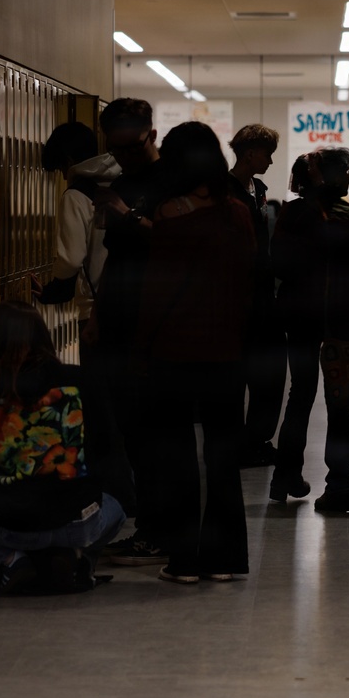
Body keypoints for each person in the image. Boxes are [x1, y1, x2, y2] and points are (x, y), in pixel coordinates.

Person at [0, 301, 124, 594]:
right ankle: (78, 560)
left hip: (14, 526)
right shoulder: (79, 380)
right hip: (79, 523)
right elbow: (106, 448)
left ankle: (8, 562)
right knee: (116, 509)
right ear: (44, 334)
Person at [137, 122, 256, 583]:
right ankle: (226, 560)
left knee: (178, 457)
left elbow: (156, 293)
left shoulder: (171, 213)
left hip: (175, 349)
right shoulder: (239, 214)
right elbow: (248, 282)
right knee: (224, 456)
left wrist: (141, 348)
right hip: (227, 350)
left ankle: (185, 560)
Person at [270, 148, 349, 513]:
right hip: (344, 319)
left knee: (300, 395)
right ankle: (341, 485)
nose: (348, 177)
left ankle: (285, 476)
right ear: (324, 177)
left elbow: (281, 264)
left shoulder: (292, 214)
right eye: (342, 171)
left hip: (301, 316)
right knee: (341, 402)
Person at [91, 98, 169, 566]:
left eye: (132, 147)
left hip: (154, 320)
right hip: (117, 316)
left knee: (154, 430)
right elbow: (112, 259)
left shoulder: (168, 182)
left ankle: (161, 528)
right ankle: (149, 526)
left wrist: (126, 214)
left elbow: (176, 244)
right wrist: (99, 311)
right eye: (115, 148)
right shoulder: (120, 180)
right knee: (129, 430)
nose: (124, 156)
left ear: (151, 135)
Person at [227, 123, 287, 467]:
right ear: (251, 152)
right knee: (237, 374)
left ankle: (258, 439)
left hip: (264, 295)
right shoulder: (226, 190)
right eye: (268, 154)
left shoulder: (258, 189)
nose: (271, 162)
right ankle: (237, 442)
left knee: (269, 374)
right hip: (237, 297)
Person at [35, 122, 120, 338]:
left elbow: (72, 259)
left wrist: (51, 290)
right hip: (125, 302)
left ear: (70, 161)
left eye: (62, 169)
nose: (64, 177)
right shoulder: (118, 182)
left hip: (94, 311)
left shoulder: (75, 195)